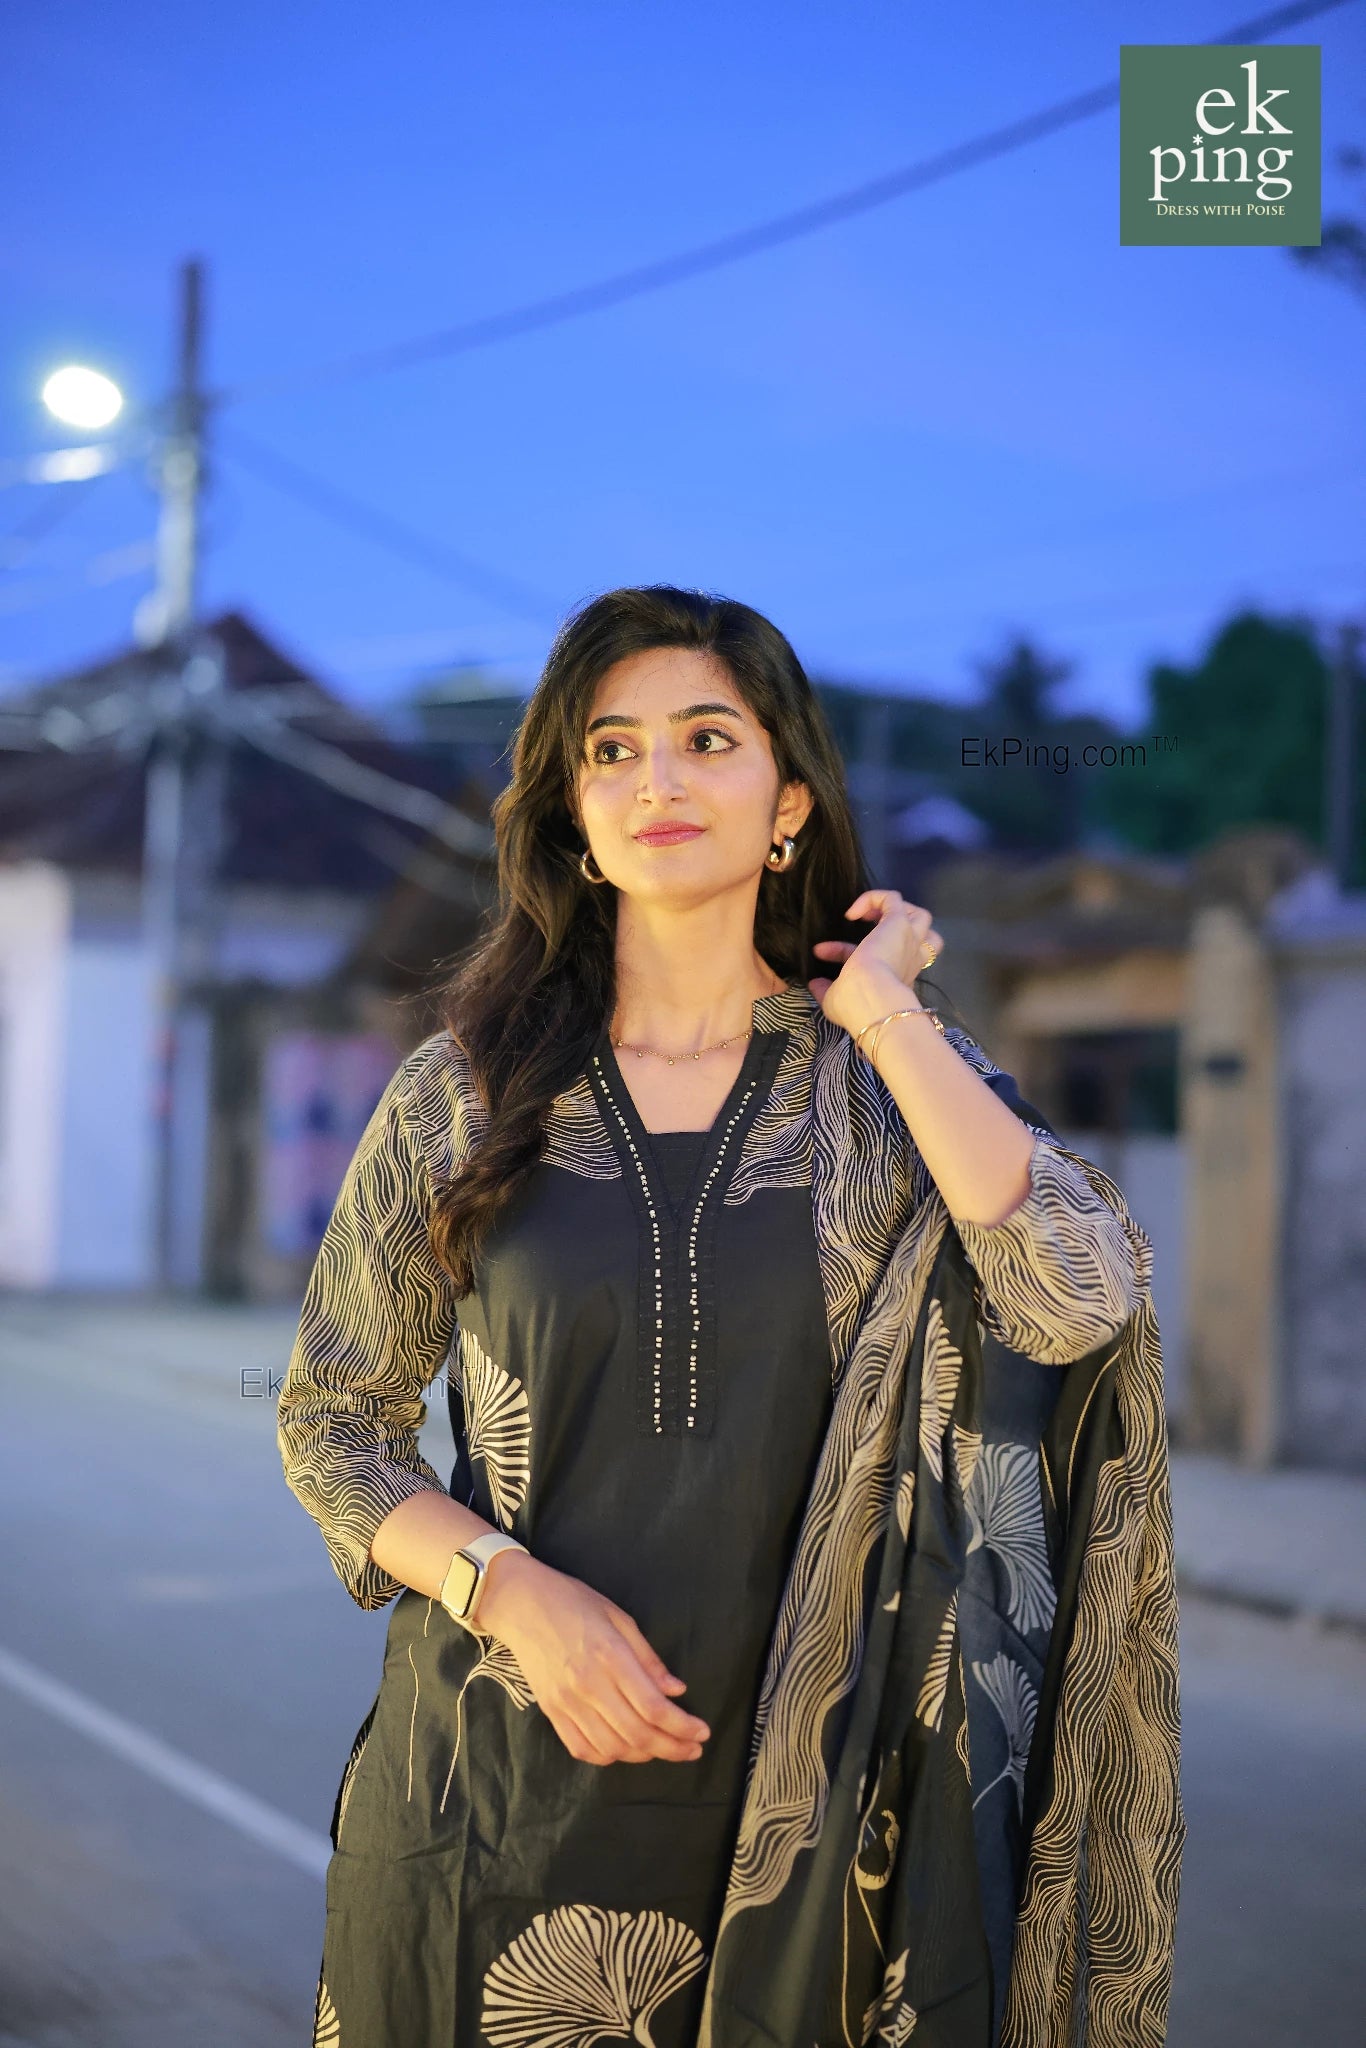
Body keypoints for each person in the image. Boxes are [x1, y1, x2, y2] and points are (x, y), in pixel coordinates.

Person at [278, 585, 1183, 2048]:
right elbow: (334, 1420)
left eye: (706, 738)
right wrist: (506, 1590)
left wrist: (884, 1007)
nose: (658, 781)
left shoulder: (885, 1096)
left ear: (788, 801)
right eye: (610, 751)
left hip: (828, 1836)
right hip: (489, 1800)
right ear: (571, 814)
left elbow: (1075, 1296)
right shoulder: (460, 1094)